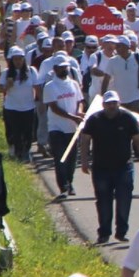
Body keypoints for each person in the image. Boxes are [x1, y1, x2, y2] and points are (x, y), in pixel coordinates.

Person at [78, 90, 139, 245]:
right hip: (101, 168)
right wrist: (84, 161)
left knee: (124, 200)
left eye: (114, 103)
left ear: (119, 103)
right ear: (103, 104)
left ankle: (121, 232)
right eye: (108, 103)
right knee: (103, 201)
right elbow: (84, 140)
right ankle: (104, 233)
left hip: (124, 167)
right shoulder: (94, 120)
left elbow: (138, 140)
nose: (111, 106)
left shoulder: (128, 118)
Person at [42, 54, 84, 196]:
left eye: (66, 67)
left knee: (71, 158)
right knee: (60, 157)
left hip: (72, 128)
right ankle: (63, 187)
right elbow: (54, 108)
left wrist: (78, 113)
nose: (64, 70)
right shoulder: (50, 86)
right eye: (61, 68)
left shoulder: (74, 84)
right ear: (55, 69)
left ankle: (69, 182)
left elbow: (79, 101)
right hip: (56, 127)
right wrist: (72, 117)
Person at [0, 47, 40, 162]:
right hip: (12, 108)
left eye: (20, 59)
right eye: (15, 59)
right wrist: (7, 85)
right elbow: (0, 89)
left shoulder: (31, 71)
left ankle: (26, 151)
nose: (18, 62)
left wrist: (39, 101)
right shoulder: (6, 73)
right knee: (15, 132)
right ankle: (18, 152)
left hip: (28, 107)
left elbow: (37, 87)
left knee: (28, 132)